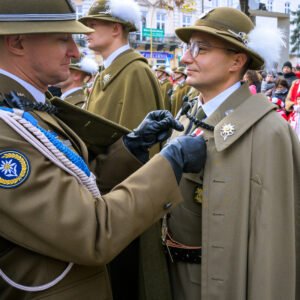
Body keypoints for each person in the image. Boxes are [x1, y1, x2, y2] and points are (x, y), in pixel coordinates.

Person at [0, 1, 207, 299]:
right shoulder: (8, 128)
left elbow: (76, 186)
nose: (74, 52)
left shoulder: (25, 108)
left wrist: (130, 148)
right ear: (18, 42)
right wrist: (169, 163)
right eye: (62, 39)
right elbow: (88, 231)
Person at [139, 7, 300, 300]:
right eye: (188, 47)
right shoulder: (189, 117)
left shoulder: (268, 131)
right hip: (171, 279)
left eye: (201, 48)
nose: (186, 57)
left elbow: (274, 246)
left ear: (236, 60)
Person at [79, 0, 164, 130]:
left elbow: (141, 144)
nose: (86, 32)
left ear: (115, 29)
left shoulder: (136, 72)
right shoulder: (107, 72)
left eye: (93, 25)